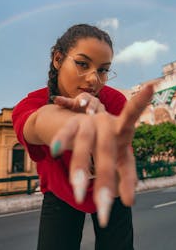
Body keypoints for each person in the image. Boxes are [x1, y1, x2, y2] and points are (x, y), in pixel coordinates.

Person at [12, 23, 154, 250]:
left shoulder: (115, 101)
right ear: (58, 59)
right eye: (82, 64)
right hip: (60, 193)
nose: (93, 79)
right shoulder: (31, 105)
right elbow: (39, 123)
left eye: (103, 70)